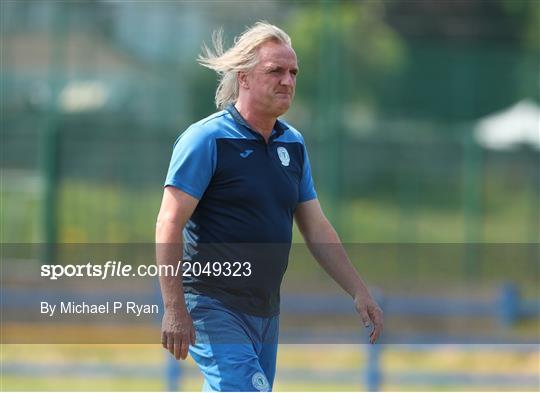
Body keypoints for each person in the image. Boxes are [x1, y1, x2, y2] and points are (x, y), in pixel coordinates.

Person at [155, 21, 383, 392]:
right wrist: (174, 308)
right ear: (243, 77)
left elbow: (317, 227)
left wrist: (358, 290)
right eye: (275, 71)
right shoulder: (206, 139)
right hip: (212, 305)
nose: (287, 81)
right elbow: (168, 223)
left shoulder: (292, 145)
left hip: (265, 311)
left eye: (293, 72)